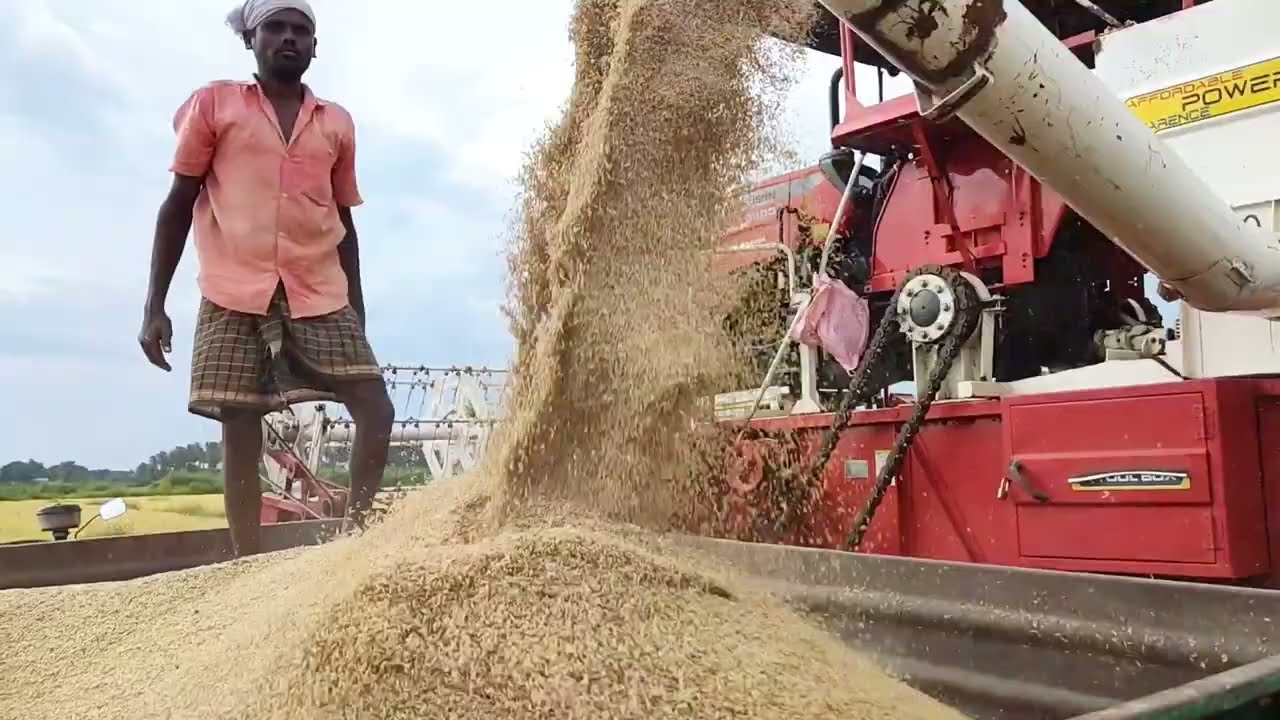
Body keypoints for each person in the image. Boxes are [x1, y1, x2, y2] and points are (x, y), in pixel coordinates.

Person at [138, 0, 394, 557]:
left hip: (317, 288)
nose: (288, 38)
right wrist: (154, 306)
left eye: (300, 30)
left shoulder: (337, 123)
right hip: (233, 288)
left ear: (314, 47)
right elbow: (177, 205)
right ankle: (246, 558)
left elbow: (344, 221)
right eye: (274, 28)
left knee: (376, 406)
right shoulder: (215, 105)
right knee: (239, 419)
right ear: (249, 40)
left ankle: (357, 537)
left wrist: (357, 302)